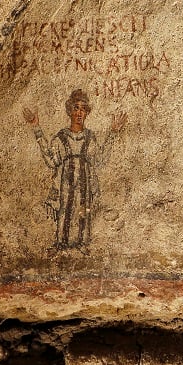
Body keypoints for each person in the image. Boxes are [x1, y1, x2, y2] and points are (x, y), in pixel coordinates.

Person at [23, 89, 124, 250]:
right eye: (76, 108)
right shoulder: (62, 137)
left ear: (87, 113)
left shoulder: (90, 138)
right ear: (70, 111)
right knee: (65, 210)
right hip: (66, 184)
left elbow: (100, 160)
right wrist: (36, 128)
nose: (79, 112)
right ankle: (61, 243)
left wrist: (113, 133)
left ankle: (82, 243)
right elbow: (51, 160)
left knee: (83, 210)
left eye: (83, 109)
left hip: (84, 184)